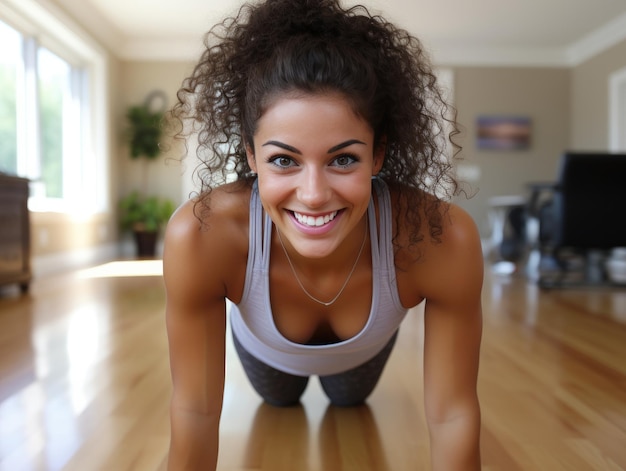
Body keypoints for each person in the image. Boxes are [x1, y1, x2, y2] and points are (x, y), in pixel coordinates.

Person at [163, 0, 483, 469]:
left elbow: (454, 414)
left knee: (348, 397)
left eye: (344, 158)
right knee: (281, 399)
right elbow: (195, 409)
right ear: (251, 156)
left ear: (378, 156)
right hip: (266, 355)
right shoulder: (202, 232)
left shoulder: (441, 237)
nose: (313, 195)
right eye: (283, 160)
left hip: (363, 355)